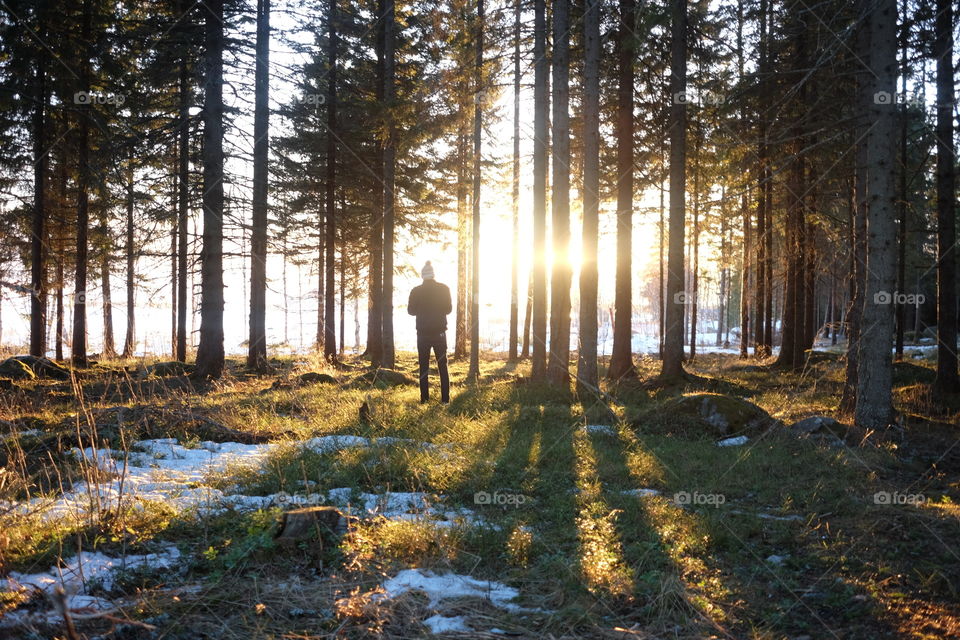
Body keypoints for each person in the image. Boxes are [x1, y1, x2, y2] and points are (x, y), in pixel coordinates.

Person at [407, 261, 451, 403]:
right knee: (442, 367)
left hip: (423, 335)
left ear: (422, 276)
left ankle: (424, 400)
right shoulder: (444, 289)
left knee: (423, 367)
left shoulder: (415, 291)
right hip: (440, 334)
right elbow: (448, 309)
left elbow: (411, 311)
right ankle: (445, 400)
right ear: (433, 274)